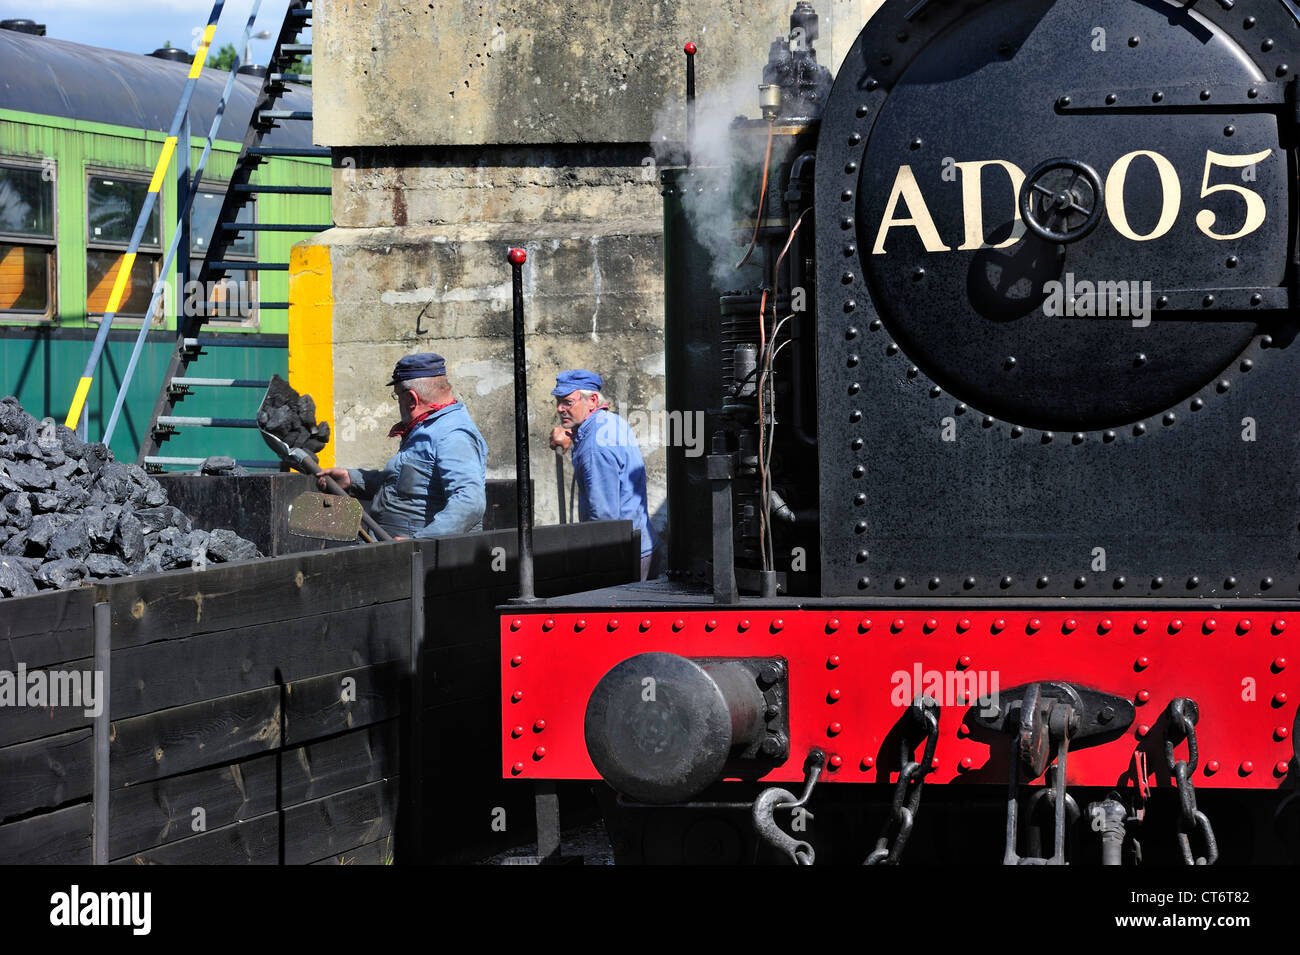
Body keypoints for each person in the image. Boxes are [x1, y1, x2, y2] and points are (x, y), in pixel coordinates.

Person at [318, 353, 487, 539]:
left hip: (417, 562)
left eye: (397, 396)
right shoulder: (427, 428)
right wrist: (353, 479)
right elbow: (407, 484)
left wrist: (421, 542)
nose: (398, 403)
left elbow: (470, 501)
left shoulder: (452, 436)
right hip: (395, 552)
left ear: (412, 399)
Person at [549, 369, 655, 579]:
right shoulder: (610, 422)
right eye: (558, 401)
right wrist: (576, 437)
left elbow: (604, 519)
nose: (560, 409)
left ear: (592, 400)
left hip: (621, 554)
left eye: (568, 402)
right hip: (640, 544)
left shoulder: (594, 447)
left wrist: (597, 569)